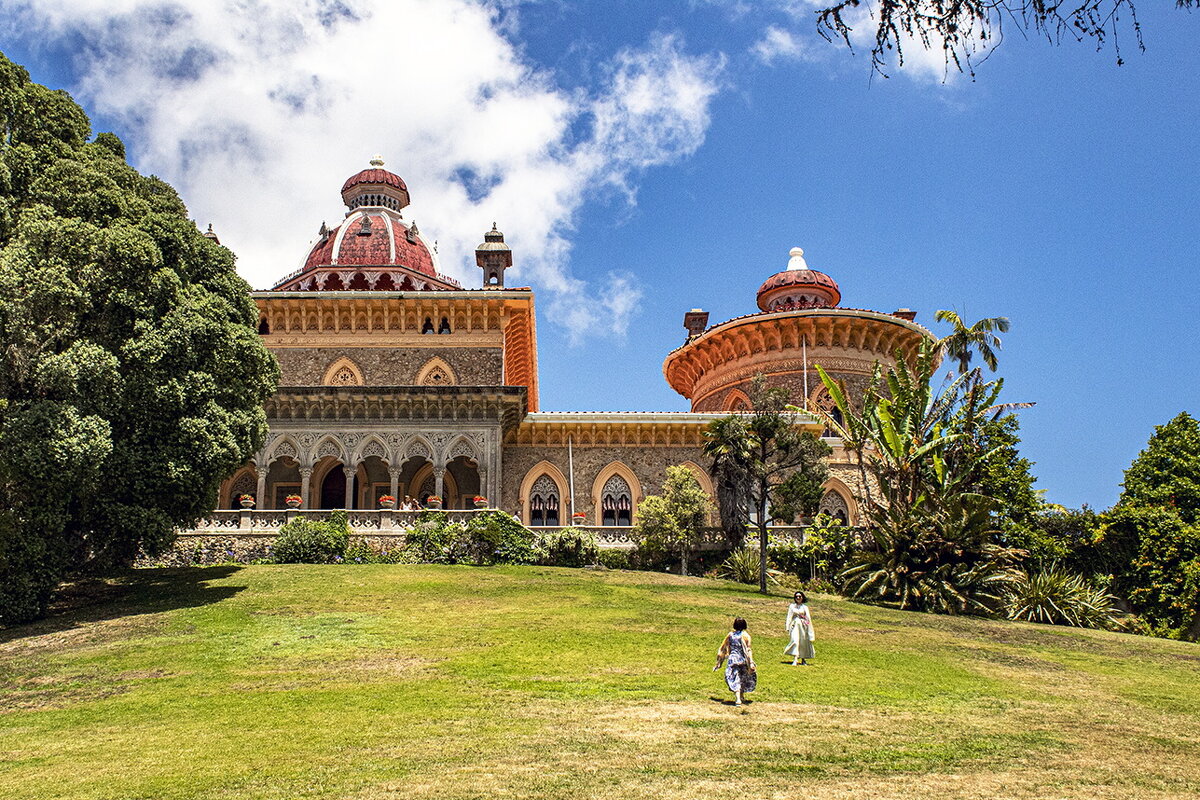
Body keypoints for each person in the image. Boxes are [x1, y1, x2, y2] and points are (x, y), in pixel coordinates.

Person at [714, 617, 756, 706]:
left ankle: (738, 699)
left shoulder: (730, 635)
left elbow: (724, 647)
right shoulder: (746, 636)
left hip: (733, 659)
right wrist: (751, 662)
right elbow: (748, 650)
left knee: (734, 677)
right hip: (743, 659)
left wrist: (719, 661)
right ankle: (741, 696)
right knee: (742, 677)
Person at [784, 591, 815, 666]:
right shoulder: (792, 606)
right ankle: (795, 658)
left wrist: (809, 628)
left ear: (802, 597)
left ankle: (803, 659)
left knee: (803, 642)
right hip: (795, 625)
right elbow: (789, 616)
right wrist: (787, 626)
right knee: (795, 640)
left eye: (799, 596)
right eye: (796, 596)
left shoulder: (805, 607)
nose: (798, 598)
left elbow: (808, 618)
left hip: (803, 626)